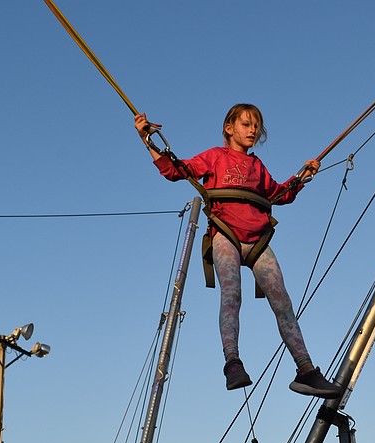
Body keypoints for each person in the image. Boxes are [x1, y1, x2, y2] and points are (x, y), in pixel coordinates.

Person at [134, 103, 340, 399]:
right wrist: (147, 140)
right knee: (232, 294)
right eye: (246, 124)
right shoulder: (215, 157)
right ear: (229, 128)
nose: (253, 130)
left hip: (257, 239)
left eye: (256, 126)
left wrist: (302, 177)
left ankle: (306, 370)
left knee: (283, 302)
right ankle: (232, 362)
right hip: (225, 233)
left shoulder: (257, 166)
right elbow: (176, 170)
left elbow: (279, 194)